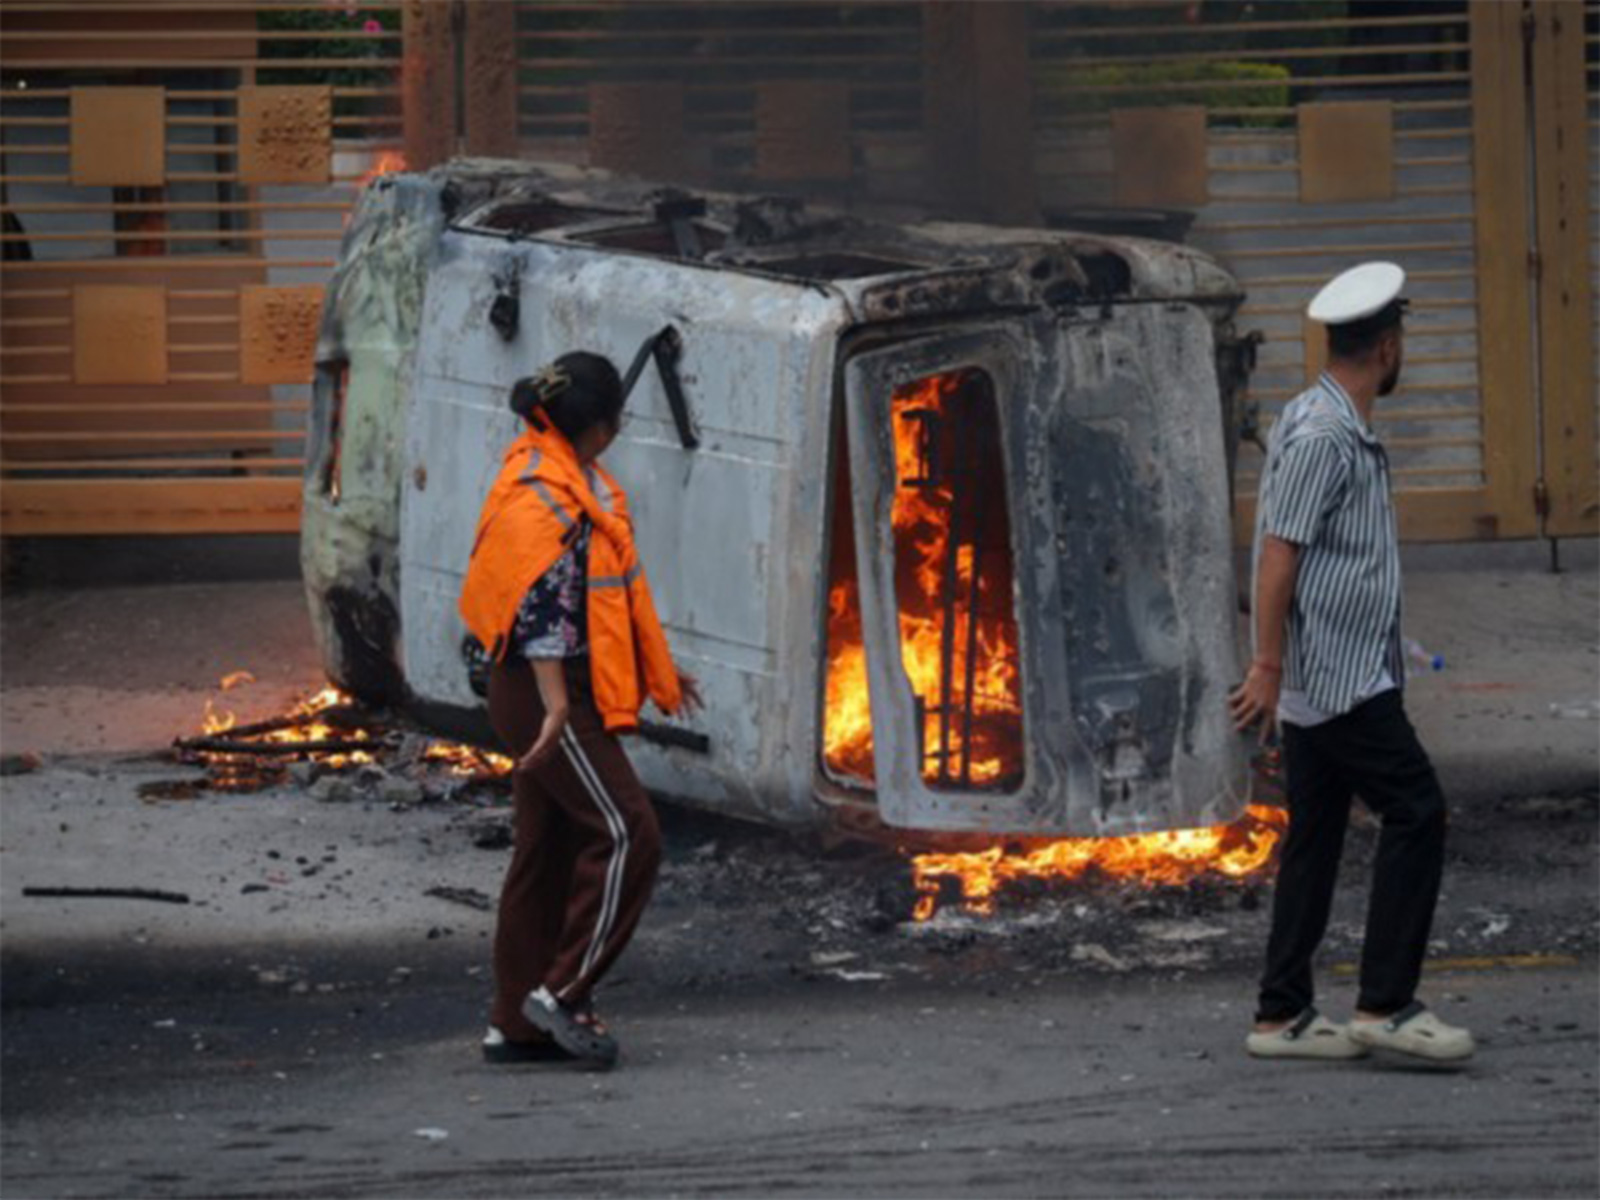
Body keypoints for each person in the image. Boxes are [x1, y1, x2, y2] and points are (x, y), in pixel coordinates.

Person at [1229, 262, 1474, 1063]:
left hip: (1332, 674)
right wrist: (1267, 665)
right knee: (1417, 811)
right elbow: (1277, 554)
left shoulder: (1318, 415)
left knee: (1318, 837)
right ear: (1389, 348)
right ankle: (1387, 1003)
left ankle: (1282, 1014)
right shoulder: (1328, 434)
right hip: (1337, 680)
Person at [459, 352, 702, 1068]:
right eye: (618, 420)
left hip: (533, 689)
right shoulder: (556, 500)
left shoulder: (543, 469)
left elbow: (594, 597)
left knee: (549, 849)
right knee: (630, 832)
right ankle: (560, 995)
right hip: (546, 693)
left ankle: (515, 1023)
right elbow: (541, 612)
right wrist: (560, 708)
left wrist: (660, 670)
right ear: (599, 428)